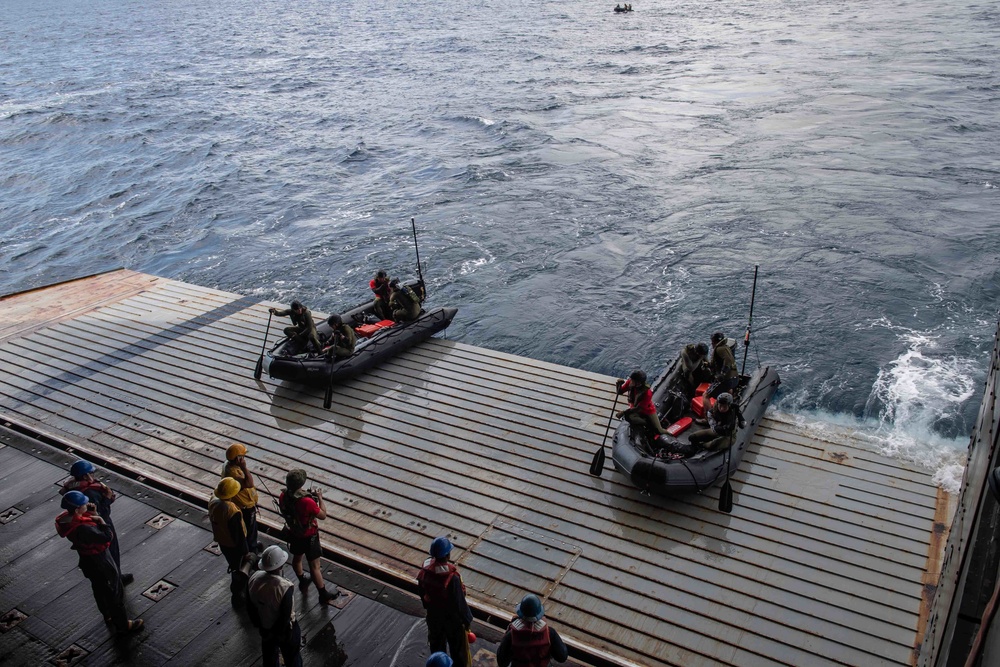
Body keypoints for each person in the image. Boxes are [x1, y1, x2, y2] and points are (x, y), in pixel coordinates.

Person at [55, 490, 144, 634]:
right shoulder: (84, 528)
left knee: (98, 588)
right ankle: (123, 625)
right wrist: (99, 518)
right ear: (78, 509)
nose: (87, 504)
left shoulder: (67, 520)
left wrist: (90, 514)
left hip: (87, 561)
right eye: (84, 504)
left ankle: (107, 615)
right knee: (115, 591)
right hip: (100, 560)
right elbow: (107, 536)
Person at [60, 459, 133, 585]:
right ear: (85, 475)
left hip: (87, 525)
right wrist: (107, 498)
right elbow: (102, 513)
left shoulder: (73, 487)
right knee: (112, 550)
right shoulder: (91, 493)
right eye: (91, 473)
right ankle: (117, 579)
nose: (93, 476)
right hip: (97, 524)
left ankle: (110, 578)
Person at [277, 469, 342, 605]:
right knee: (315, 566)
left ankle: (302, 580)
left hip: (294, 533)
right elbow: (323, 515)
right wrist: (319, 498)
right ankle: (323, 594)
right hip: (309, 536)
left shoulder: (283, 496)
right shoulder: (307, 501)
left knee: (297, 558)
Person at [417, 536, 473, 667]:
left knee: (436, 646)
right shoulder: (452, 578)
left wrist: (428, 607)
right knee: (457, 650)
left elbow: (421, 592)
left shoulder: (424, 571)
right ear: (448, 555)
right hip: (452, 620)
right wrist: (467, 620)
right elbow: (459, 603)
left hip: (434, 617)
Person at [247, 545, 303, 667]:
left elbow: (250, 606)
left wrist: (261, 627)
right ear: (281, 565)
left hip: (265, 626)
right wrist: (279, 634)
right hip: (285, 631)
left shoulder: (254, 578)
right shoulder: (284, 587)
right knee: (292, 657)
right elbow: (285, 616)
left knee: (269, 658)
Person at [208, 477, 250, 607]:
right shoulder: (232, 510)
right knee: (239, 569)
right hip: (233, 544)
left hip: (222, 540)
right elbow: (238, 535)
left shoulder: (213, 500)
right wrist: (245, 551)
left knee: (233, 564)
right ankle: (238, 594)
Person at [496, 594, 569, 667]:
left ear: (520, 613)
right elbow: (562, 657)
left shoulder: (511, 635)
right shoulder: (550, 633)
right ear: (540, 614)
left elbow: (502, 662)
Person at [222, 443, 260, 554]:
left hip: (246, 504)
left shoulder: (229, 465)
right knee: (250, 530)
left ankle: (252, 546)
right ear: (238, 458)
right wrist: (244, 467)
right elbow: (249, 483)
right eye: (242, 456)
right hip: (245, 507)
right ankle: (252, 553)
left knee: (251, 529)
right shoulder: (233, 473)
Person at [616, 369, 668, 443]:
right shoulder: (630, 383)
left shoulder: (647, 393)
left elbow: (639, 409)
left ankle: (668, 433)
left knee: (659, 430)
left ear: (638, 383)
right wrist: (618, 384)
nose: (631, 381)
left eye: (633, 380)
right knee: (629, 417)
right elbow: (620, 391)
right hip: (634, 408)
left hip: (647, 410)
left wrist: (623, 412)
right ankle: (645, 423)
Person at [707, 332, 739, 400]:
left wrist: (722, 373)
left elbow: (728, 360)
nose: (711, 343)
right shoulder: (726, 348)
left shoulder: (719, 349)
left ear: (714, 341)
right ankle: (729, 403)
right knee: (728, 390)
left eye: (712, 341)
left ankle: (710, 410)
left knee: (706, 396)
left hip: (726, 381)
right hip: (734, 379)